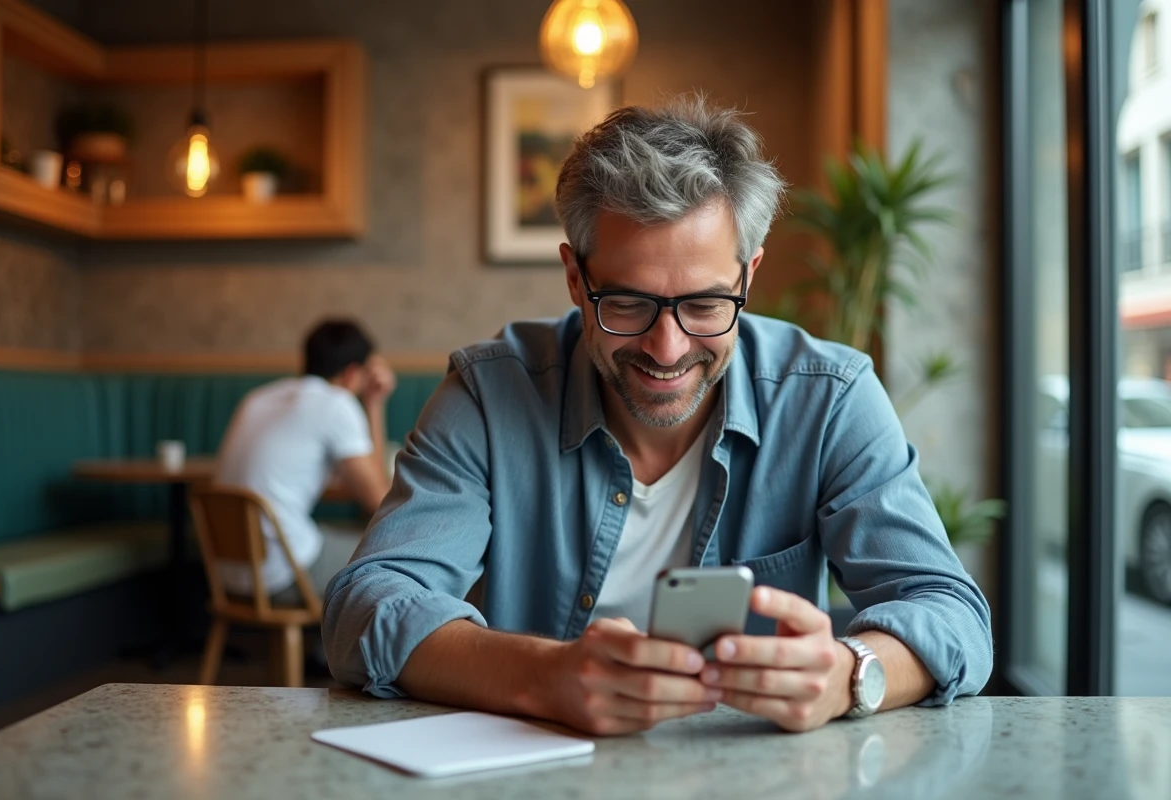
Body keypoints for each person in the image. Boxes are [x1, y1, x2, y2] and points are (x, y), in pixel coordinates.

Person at [323, 96, 992, 735]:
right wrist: (543, 677)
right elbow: (365, 606)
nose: (666, 349)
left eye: (705, 305)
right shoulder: (488, 394)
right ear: (575, 279)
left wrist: (850, 674)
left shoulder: (829, 398)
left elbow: (951, 613)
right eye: (627, 304)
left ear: (748, 276)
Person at [215, 319, 396, 603]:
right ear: (352, 373)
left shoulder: (257, 398)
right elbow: (379, 500)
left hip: (224, 572)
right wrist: (374, 403)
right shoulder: (336, 403)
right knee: (395, 557)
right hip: (281, 574)